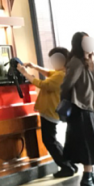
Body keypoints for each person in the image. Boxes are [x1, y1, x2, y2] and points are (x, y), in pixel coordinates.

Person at [17, 47, 76, 178]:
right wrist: (34, 67)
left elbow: (44, 84)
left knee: (49, 140)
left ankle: (66, 166)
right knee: (52, 140)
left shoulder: (61, 75)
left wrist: (25, 73)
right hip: (50, 111)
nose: (53, 62)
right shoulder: (61, 72)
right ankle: (68, 164)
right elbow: (50, 73)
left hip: (50, 112)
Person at [60, 32, 94, 186]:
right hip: (79, 107)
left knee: (90, 142)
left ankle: (90, 176)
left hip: (86, 106)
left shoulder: (87, 60)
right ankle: (86, 179)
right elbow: (67, 84)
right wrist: (67, 99)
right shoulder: (77, 62)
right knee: (87, 143)